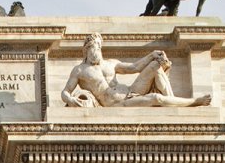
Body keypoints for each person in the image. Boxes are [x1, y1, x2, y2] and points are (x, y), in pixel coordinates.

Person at [61, 34, 212, 108]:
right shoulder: (80, 70)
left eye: (98, 47)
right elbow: (65, 91)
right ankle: (194, 102)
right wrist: (71, 100)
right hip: (116, 103)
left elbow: (135, 67)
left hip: (130, 91)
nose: (96, 51)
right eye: (93, 48)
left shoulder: (111, 64)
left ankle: (172, 107)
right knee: (155, 98)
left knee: (154, 66)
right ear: (86, 50)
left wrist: (152, 55)